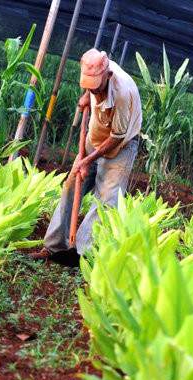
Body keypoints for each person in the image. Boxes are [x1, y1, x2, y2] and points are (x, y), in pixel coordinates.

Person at [31, 48, 142, 264]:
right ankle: (53, 247)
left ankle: (81, 254)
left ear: (107, 77)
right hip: (95, 136)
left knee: (107, 200)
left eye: (96, 88)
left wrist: (86, 160)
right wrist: (86, 96)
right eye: (88, 87)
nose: (94, 92)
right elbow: (91, 88)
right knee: (71, 185)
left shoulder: (123, 92)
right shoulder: (94, 78)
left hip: (122, 144)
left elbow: (116, 137)